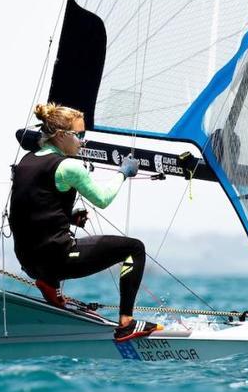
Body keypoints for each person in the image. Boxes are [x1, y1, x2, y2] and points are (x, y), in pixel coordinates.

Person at [9, 102, 163, 342]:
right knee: (134, 248)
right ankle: (127, 323)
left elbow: (30, 209)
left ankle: (50, 286)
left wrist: (69, 217)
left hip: (28, 262)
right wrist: (123, 173)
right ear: (60, 136)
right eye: (79, 135)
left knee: (53, 244)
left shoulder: (26, 161)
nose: (83, 141)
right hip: (56, 260)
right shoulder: (68, 166)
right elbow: (102, 199)